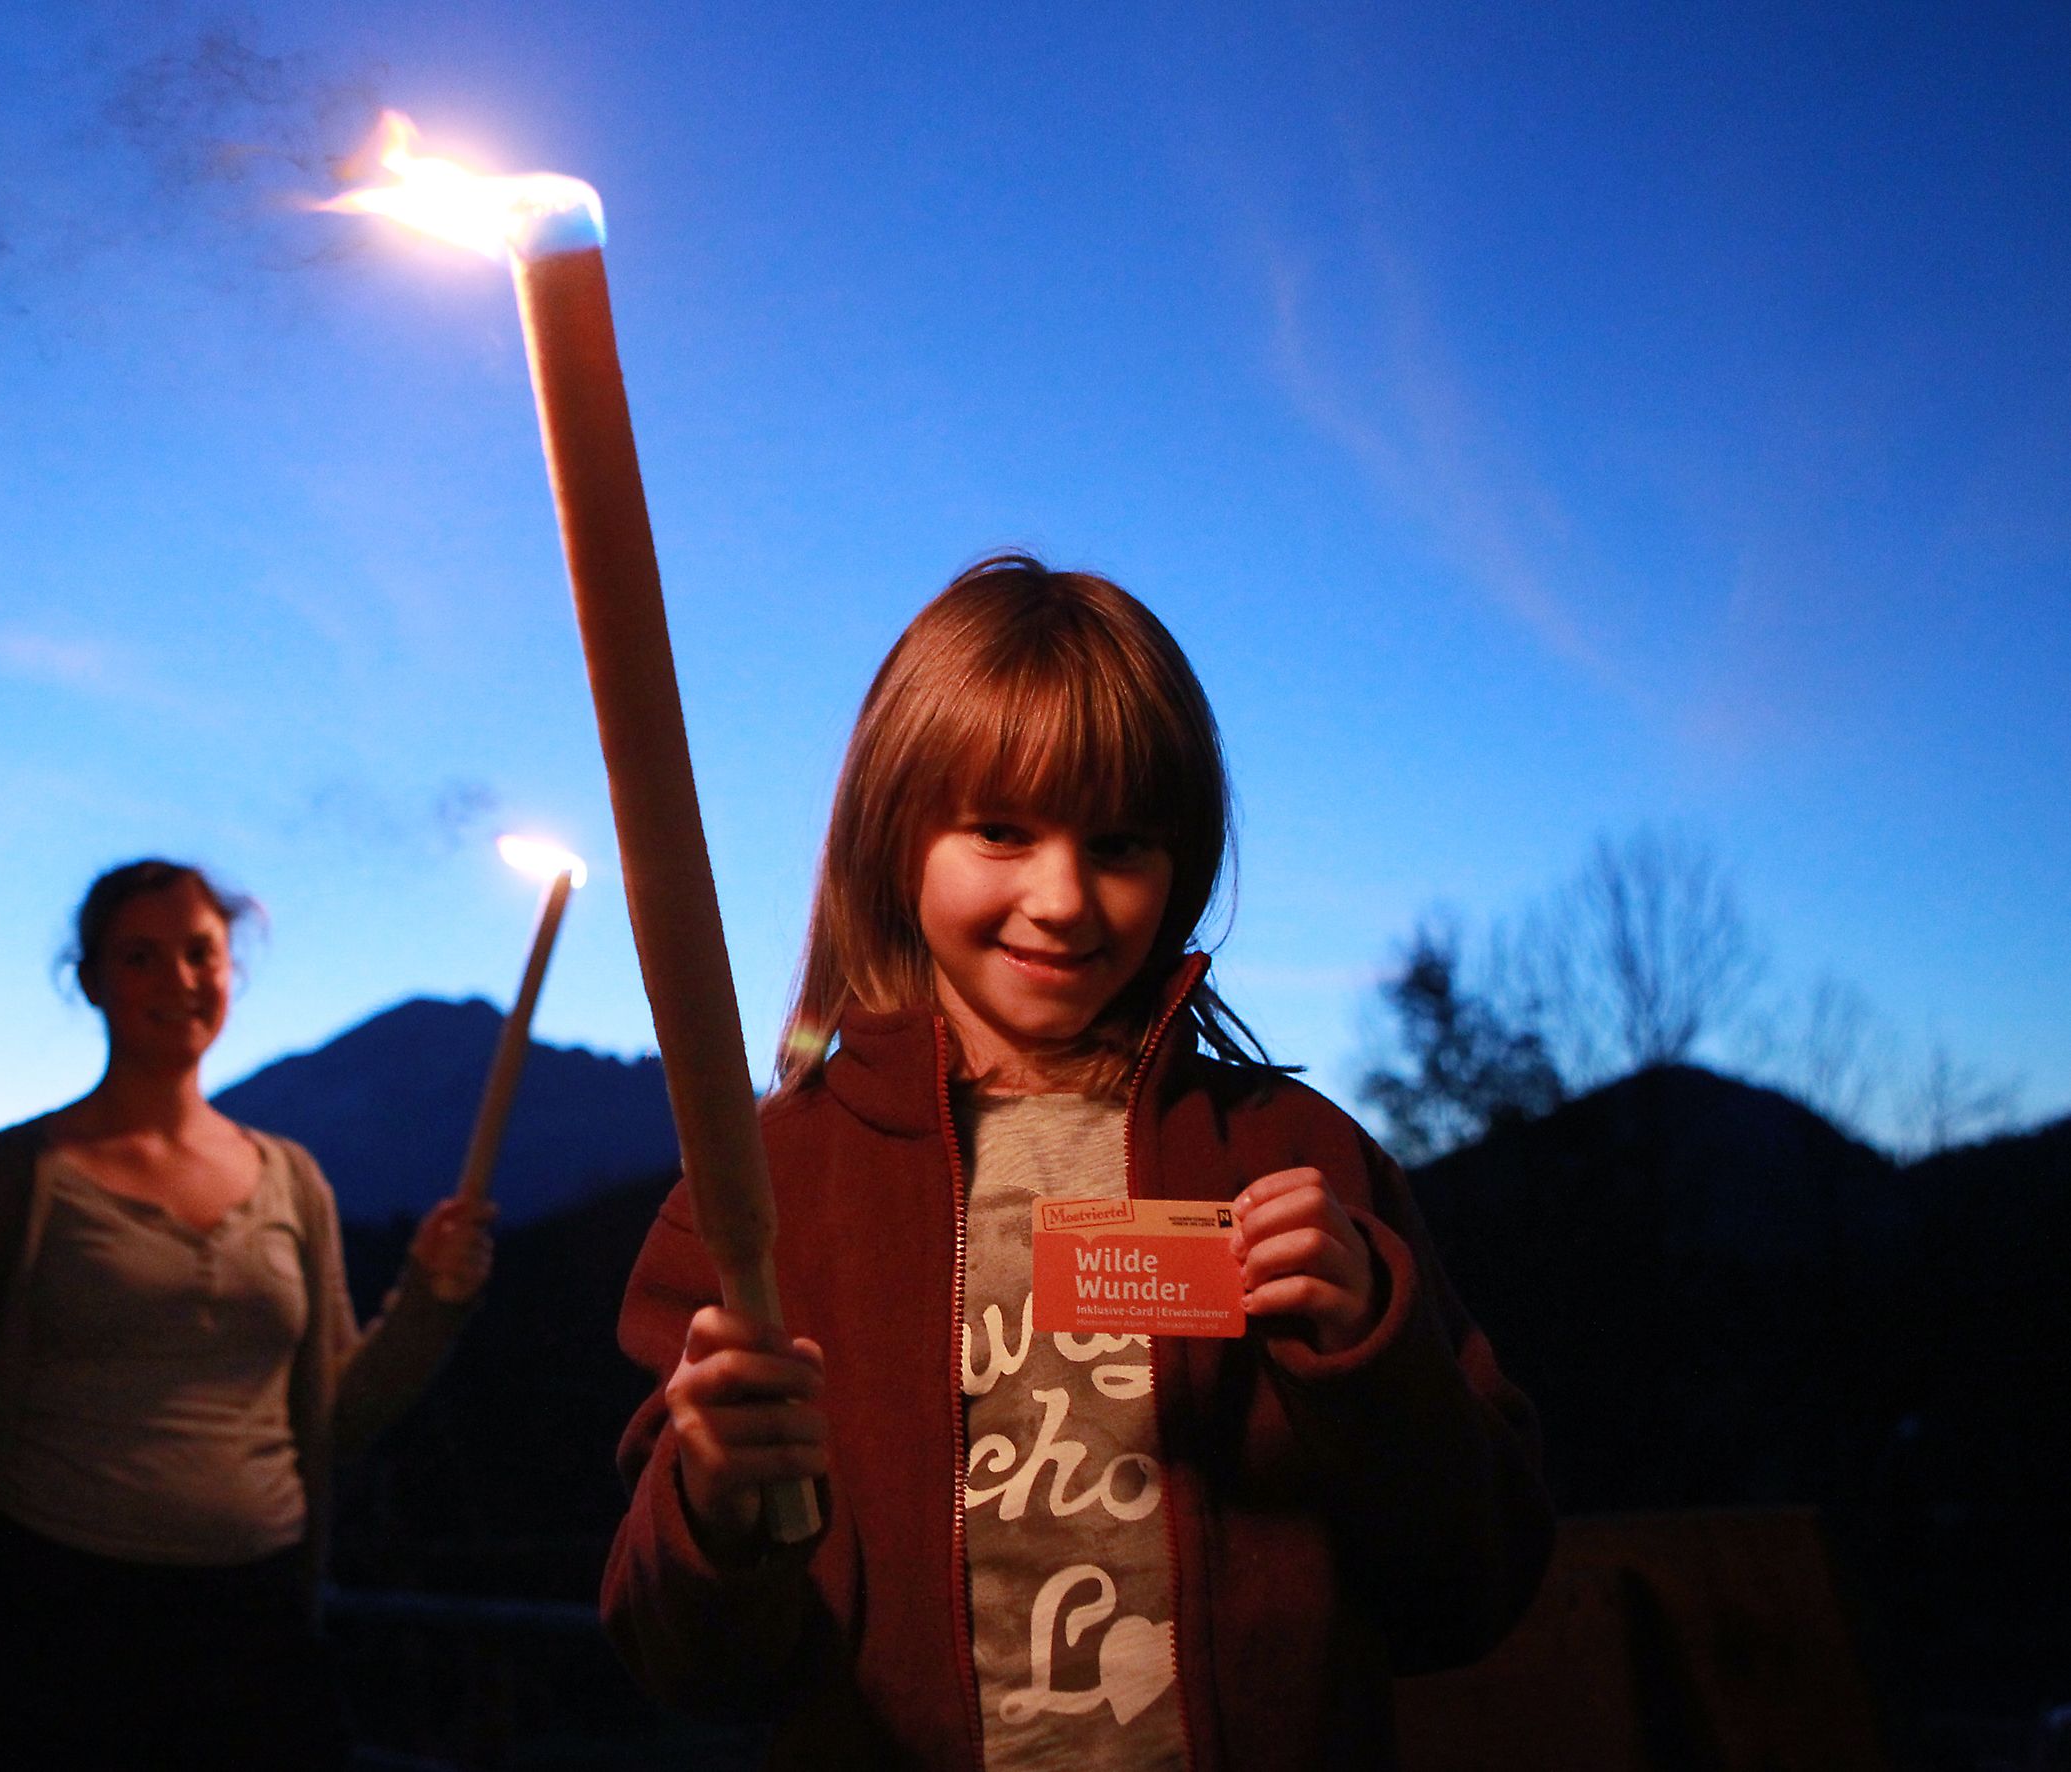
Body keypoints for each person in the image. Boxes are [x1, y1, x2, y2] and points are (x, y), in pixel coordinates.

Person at [601, 555, 1553, 1769]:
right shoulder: (764, 1197)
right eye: (999, 829)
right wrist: (717, 1507)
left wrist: (1373, 1350)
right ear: (896, 838)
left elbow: (1474, 1587)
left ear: (1183, 862)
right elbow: (689, 1661)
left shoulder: (1300, 1154)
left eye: (1119, 842)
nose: (1062, 897)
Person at [0, 859, 492, 1769]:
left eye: (202, 954)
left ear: (233, 971)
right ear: (92, 981)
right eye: (142, 957)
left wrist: (434, 1299)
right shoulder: (14, 1176)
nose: (181, 980)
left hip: (261, 1624)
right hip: (64, 1621)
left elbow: (334, 1415)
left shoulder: (291, 1181)